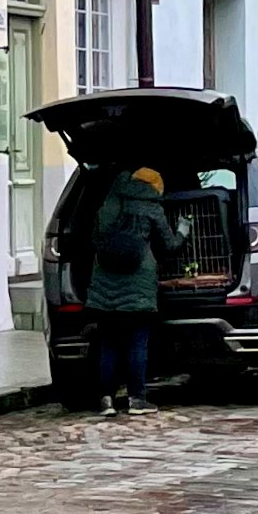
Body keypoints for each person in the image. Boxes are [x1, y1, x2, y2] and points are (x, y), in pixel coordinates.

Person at [84, 161, 180, 413]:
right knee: (137, 343)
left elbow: (95, 237)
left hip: (105, 281)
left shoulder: (110, 202)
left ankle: (105, 400)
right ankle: (137, 399)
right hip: (138, 284)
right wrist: (184, 230)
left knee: (108, 343)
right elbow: (169, 246)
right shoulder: (152, 207)